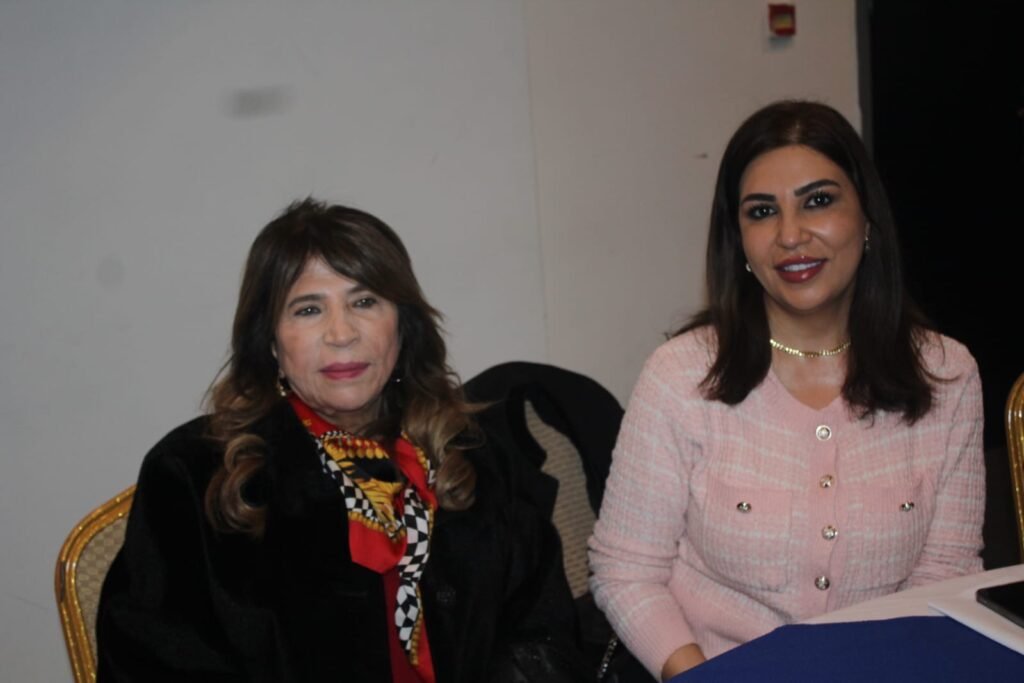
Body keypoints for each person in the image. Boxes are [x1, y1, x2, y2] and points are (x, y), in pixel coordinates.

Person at [97, 199, 588, 682]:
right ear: (270, 342)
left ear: (403, 326)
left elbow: (542, 633)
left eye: (364, 302)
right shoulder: (193, 476)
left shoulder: (471, 453)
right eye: (309, 309)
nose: (342, 333)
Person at [588, 101, 985, 680]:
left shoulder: (946, 374)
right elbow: (626, 571)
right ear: (740, 241)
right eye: (762, 212)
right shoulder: (681, 376)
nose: (791, 235)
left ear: (867, 219)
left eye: (818, 201)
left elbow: (947, 571)